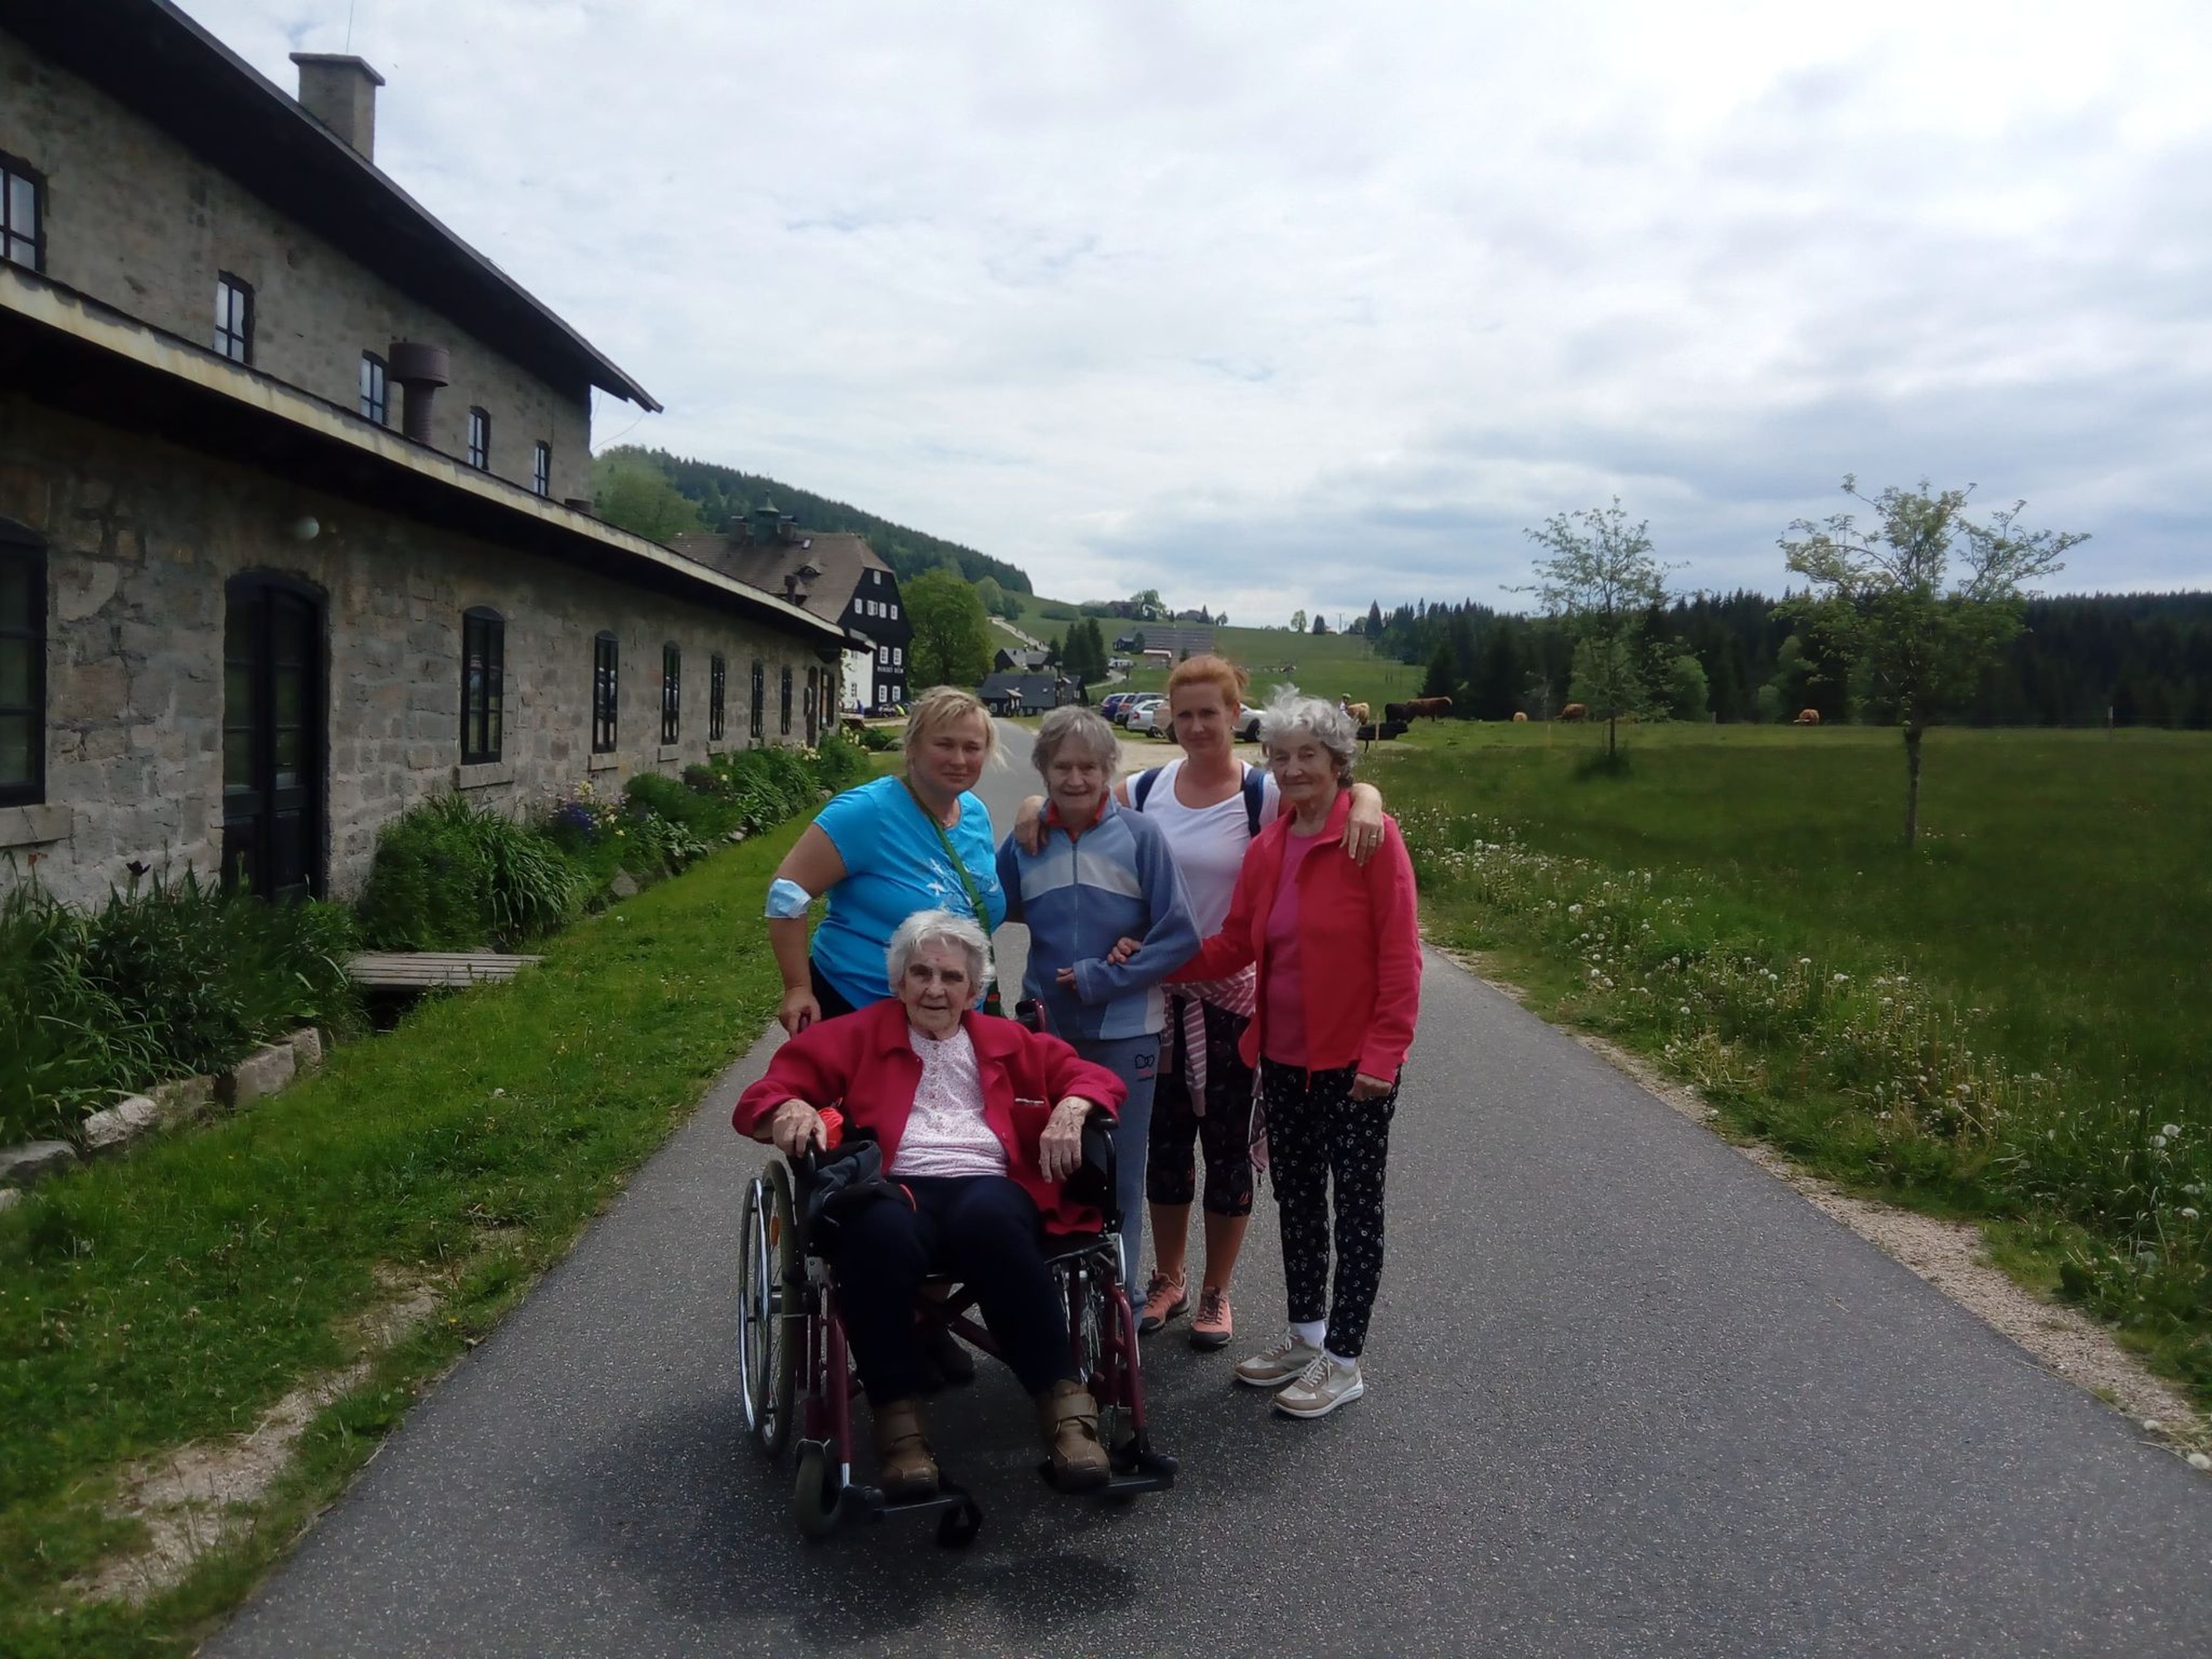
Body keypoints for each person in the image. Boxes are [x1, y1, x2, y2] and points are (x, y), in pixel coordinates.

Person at [1020, 655, 1388, 1352]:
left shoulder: (1262, 793)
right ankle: (1168, 1277)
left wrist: (1367, 797)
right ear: (1169, 718)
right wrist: (1030, 808)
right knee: (1161, 1148)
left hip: (1231, 998)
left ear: (1233, 714)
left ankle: (1217, 1288)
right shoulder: (1145, 788)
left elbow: (1333, 793)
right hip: (1154, 993)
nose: (1195, 726)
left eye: (1208, 713)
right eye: (1183, 714)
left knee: (1225, 1149)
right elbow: (1074, 798)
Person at [734, 912, 1125, 1494]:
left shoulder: (1009, 1041)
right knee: (876, 1234)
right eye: (920, 974)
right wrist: (788, 1107)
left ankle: (1068, 1416)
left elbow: (1092, 1077)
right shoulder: (857, 1035)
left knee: (992, 1222)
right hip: (894, 1186)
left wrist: (1072, 1106)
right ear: (898, 983)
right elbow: (762, 1095)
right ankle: (900, 1432)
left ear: (974, 990)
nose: (935, 989)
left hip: (987, 1183)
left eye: (951, 977)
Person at [1170, 688, 1420, 1419]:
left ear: (1337, 761)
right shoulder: (1269, 847)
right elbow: (1236, 942)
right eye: (1279, 757)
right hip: (1280, 1059)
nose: (1291, 769)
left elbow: (1399, 958)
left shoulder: (1371, 838)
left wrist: (1383, 1056)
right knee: (1299, 1200)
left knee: (1357, 1212)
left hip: (1355, 1066)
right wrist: (1156, 962)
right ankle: (1306, 1337)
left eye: (1307, 755)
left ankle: (1343, 1363)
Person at [997, 707, 1200, 1287]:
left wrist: (1105, 976)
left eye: (1089, 767)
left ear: (1108, 769)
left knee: (1119, 1171)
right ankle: (1051, 1300)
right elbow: (991, 909)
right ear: (1043, 769)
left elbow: (1180, 933)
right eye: (1062, 767)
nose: (1076, 779)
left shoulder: (1140, 835)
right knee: (1043, 1165)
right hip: (1044, 1030)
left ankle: (1121, 1301)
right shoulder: (1026, 841)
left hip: (1125, 1030)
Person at [765, 684, 1008, 1034]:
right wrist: (797, 988)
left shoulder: (974, 814)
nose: (959, 760)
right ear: (912, 747)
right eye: (944, 744)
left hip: (947, 1020)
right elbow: (786, 894)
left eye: (972, 748)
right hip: (857, 1013)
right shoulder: (867, 812)